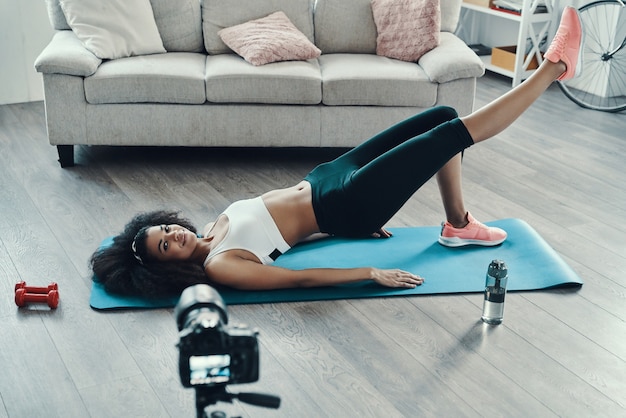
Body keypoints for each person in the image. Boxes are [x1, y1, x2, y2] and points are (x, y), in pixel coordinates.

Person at [91, 7, 583, 298]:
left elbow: (282, 240)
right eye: (166, 246)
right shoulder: (220, 265)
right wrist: (367, 272)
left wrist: (336, 230)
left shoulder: (209, 229)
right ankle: (553, 68)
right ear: (170, 267)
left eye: (164, 230)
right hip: (345, 201)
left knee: (442, 116)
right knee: (454, 136)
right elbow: (297, 279)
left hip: (329, 179)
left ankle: (458, 224)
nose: (174, 234)